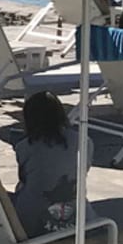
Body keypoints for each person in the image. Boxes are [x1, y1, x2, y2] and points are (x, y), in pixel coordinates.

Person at [11, 91, 77, 235]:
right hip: (76, 218)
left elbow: (23, 178)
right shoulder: (84, 142)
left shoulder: (24, 146)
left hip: (31, 219)